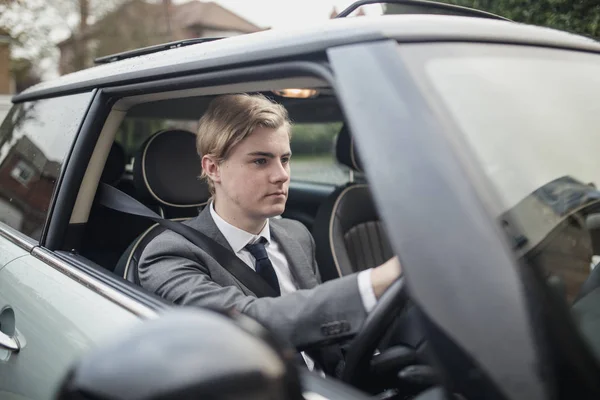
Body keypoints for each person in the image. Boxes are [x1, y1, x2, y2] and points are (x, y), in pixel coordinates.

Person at [138, 93, 401, 372]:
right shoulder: (167, 254)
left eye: (284, 159)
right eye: (261, 161)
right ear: (213, 168)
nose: (282, 175)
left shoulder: (296, 234)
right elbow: (244, 326)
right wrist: (373, 284)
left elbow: (322, 331)